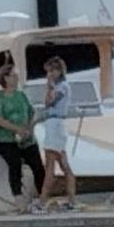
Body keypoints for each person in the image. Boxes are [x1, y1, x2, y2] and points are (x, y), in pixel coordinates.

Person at [0, 63, 47, 210]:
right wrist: (17, 129)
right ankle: (18, 197)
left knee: (38, 166)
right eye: (13, 75)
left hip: (26, 136)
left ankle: (43, 196)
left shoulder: (21, 95)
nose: (16, 78)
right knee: (15, 163)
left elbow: (31, 112)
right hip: (6, 139)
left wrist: (28, 128)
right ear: (6, 78)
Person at [37, 56, 77, 210]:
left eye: (52, 71)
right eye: (48, 71)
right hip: (53, 125)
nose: (50, 74)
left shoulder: (62, 87)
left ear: (60, 71)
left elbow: (49, 101)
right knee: (63, 164)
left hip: (55, 124)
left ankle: (42, 201)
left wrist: (50, 86)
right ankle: (72, 199)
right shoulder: (58, 86)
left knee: (50, 166)